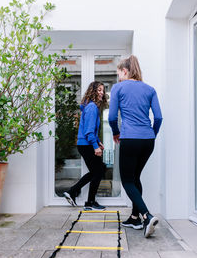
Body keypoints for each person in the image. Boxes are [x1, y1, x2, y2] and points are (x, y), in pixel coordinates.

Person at [108, 55, 162, 238]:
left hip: (130, 139)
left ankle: (147, 216)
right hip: (148, 140)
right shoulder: (150, 89)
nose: (118, 77)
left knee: (127, 181)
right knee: (135, 177)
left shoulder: (118, 88)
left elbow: (112, 117)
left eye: (119, 73)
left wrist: (115, 132)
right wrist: (152, 134)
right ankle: (134, 217)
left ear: (125, 71)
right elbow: (159, 117)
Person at [63, 81, 107, 211]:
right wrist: (95, 146)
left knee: (97, 170)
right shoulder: (92, 108)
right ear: (92, 91)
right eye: (99, 90)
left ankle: (74, 192)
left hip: (86, 144)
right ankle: (89, 202)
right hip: (87, 144)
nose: (102, 93)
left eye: (103, 90)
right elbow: (88, 131)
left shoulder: (90, 107)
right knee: (98, 171)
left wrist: (98, 141)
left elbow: (90, 130)